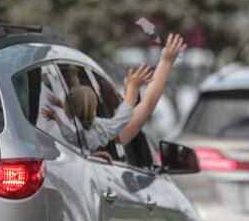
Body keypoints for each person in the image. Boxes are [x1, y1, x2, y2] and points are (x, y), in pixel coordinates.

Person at [43, 34, 188, 160]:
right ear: (98, 110)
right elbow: (147, 104)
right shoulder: (107, 134)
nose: (124, 104)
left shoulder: (53, 139)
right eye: (120, 100)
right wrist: (165, 62)